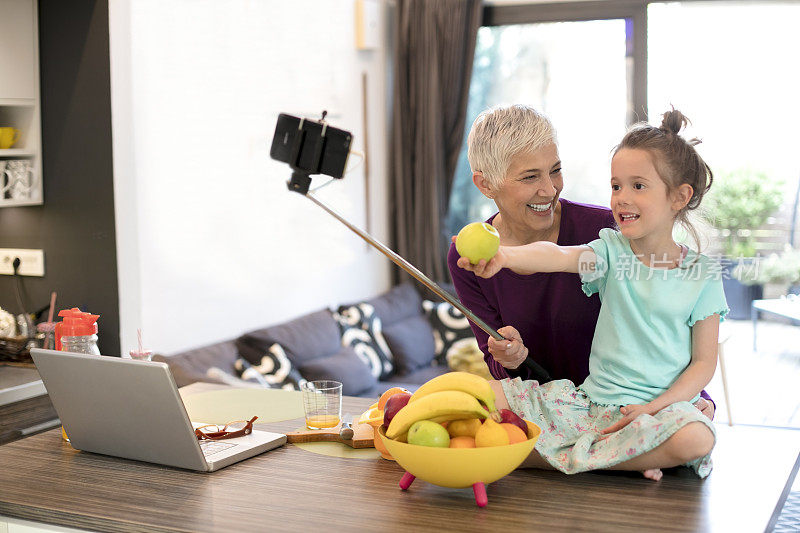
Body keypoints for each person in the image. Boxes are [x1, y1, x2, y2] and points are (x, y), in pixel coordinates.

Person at [456, 108, 728, 479]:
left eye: (555, 170)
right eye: (616, 186)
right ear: (486, 184)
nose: (550, 189)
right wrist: (503, 256)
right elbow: (555, 257)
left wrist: (673, 406)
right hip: (583, 402)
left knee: (697, 439)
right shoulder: (611, 250)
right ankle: (631, 455)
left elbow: (697, 358)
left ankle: (552, 454)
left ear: (680, 197)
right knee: (473, 396)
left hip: (656, 406)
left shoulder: (678, 262)